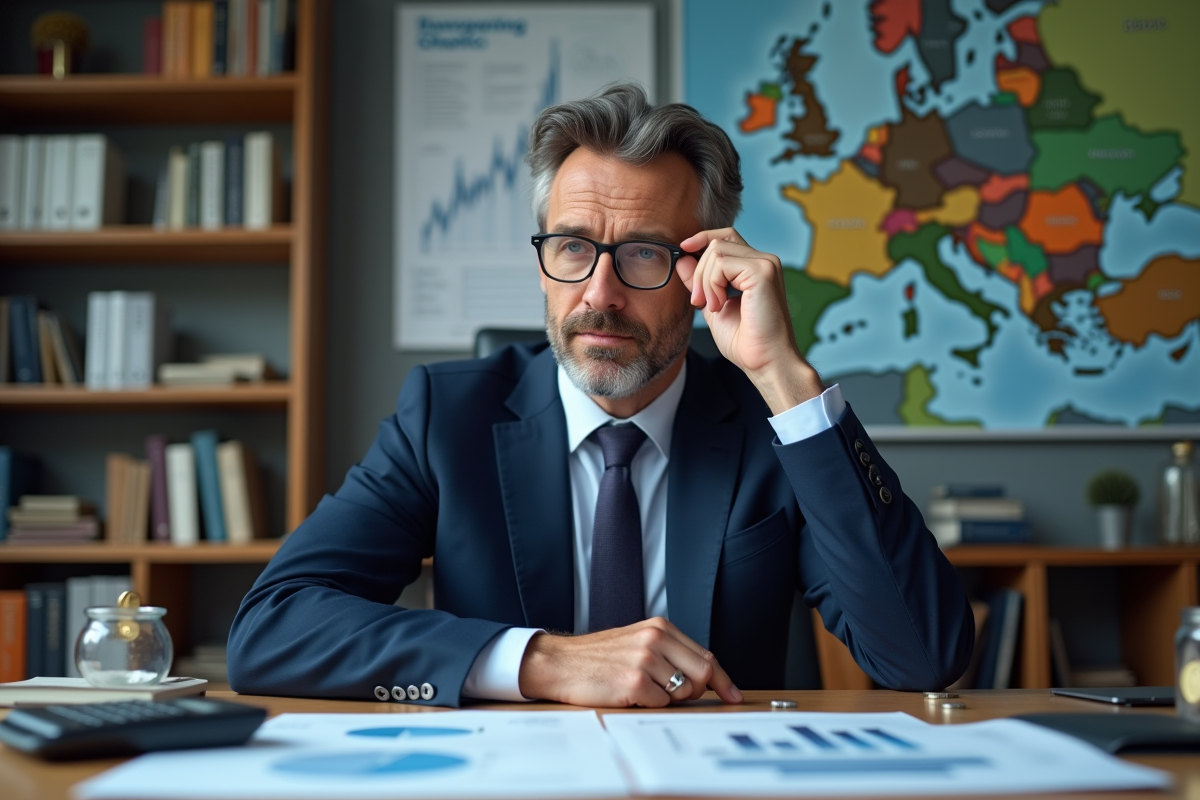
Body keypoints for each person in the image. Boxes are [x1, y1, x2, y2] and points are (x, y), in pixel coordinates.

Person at [227, 84, 973, 708]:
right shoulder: (446, 418)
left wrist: (784, 376)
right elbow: (273, 627)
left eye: (644, 252)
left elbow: (924, 656)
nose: (600, 294)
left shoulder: (772, 428)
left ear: (707, 269)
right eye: (574, 247)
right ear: (545, 258)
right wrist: (541, 661)